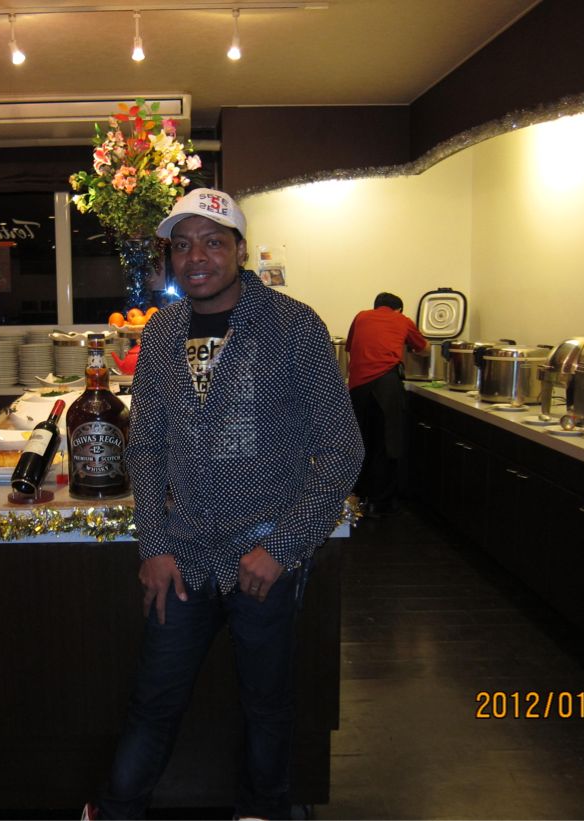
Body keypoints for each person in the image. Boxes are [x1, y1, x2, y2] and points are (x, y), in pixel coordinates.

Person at [85, 189, 363, 820]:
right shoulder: (162, 332)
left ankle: (263, 811)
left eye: (213, 242)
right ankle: (117, 811)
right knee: (154, 700)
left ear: (239, 250)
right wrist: (154, 546)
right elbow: (146, 448)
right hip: (182, 554)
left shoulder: (294, 326)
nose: (196, 258)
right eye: (182, 245)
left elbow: (341, 450)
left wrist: (282, 548)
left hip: (263, 553)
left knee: (267, 704)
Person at [344, 292, 427, 517]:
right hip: (386, 385)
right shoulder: (402, 320)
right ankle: (379, 504)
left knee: (361, 443)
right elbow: (424, 348)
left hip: (358, 387)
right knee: (387, 444)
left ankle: (357, 497)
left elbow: (350, 348)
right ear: (398, 309)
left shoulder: (361, 317)